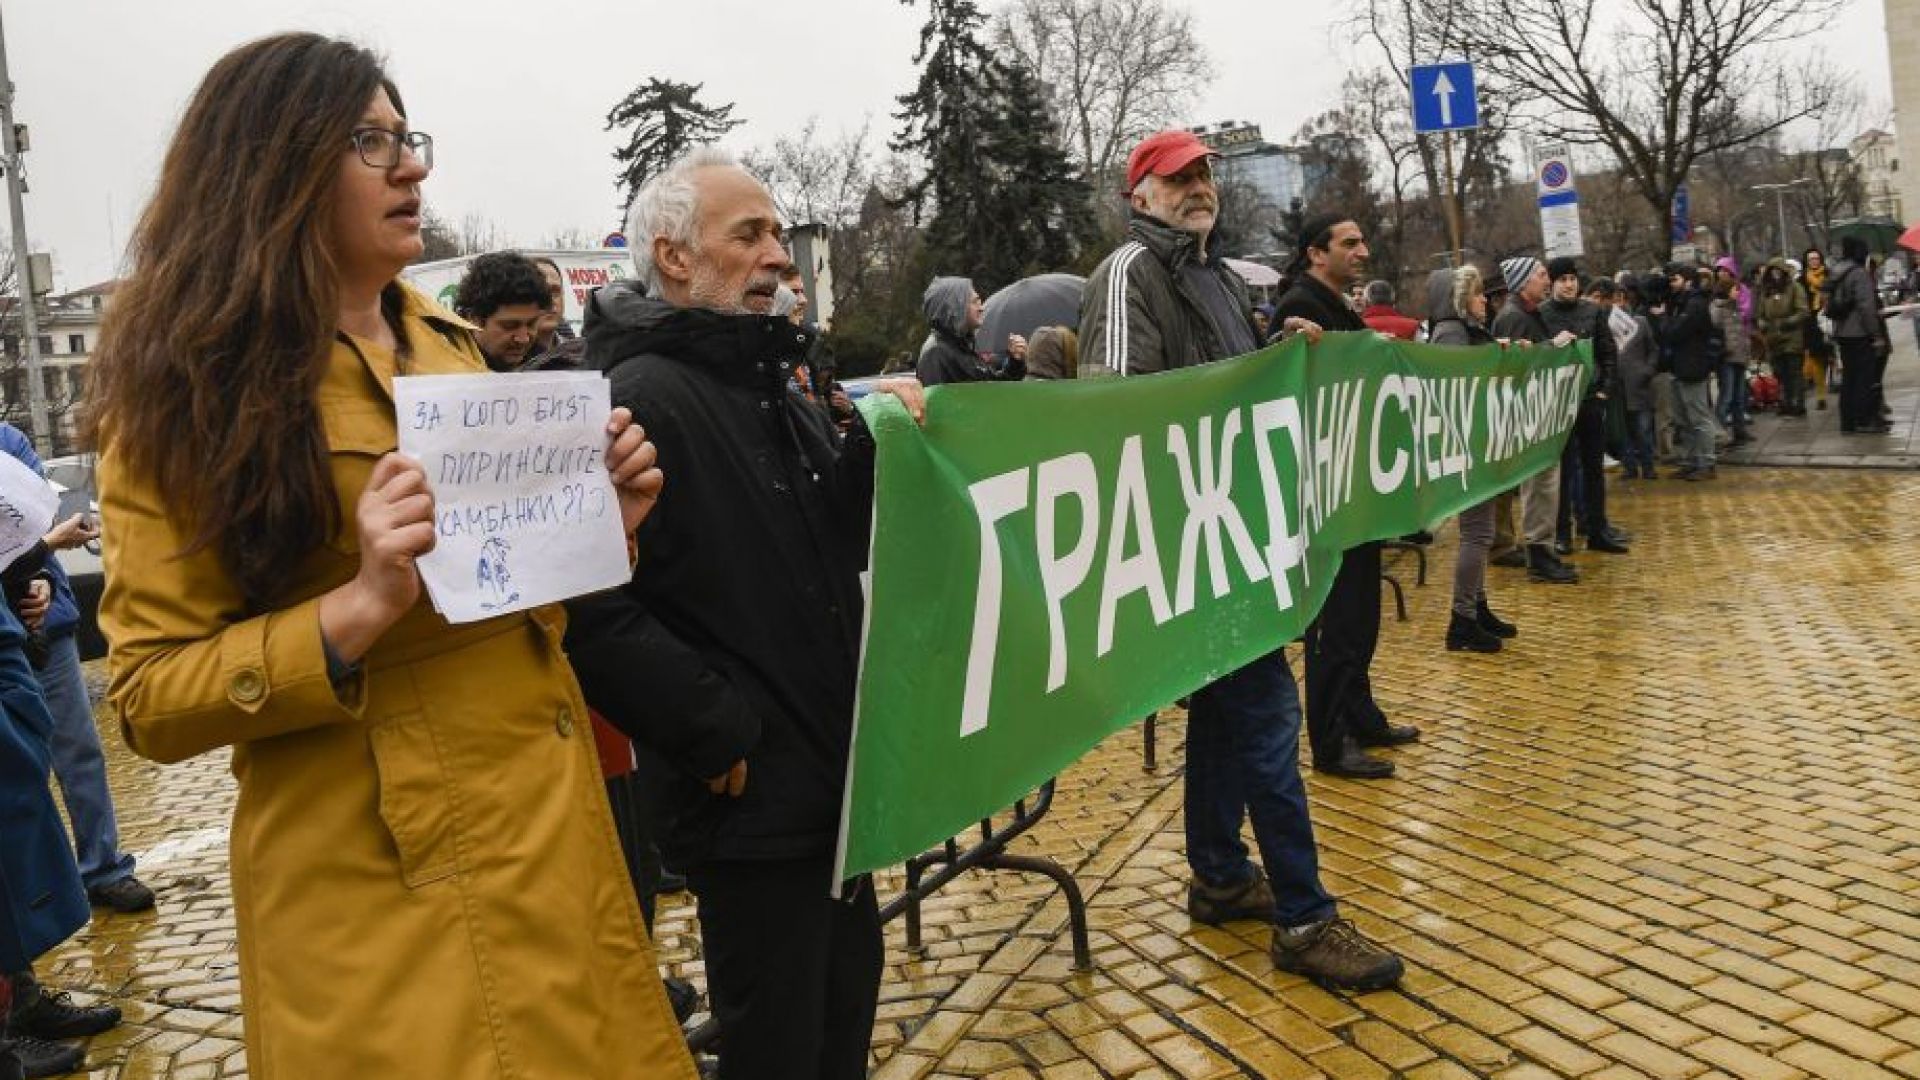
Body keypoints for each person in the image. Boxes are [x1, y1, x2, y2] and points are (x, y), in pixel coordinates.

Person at [83, 34, 696, 1078]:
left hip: (555, 844)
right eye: (370, 142)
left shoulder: (448, 344)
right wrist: (353, 611)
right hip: (383, 885)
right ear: (273, 168)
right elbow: (147, 695)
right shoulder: (185, 386)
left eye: (405, 136)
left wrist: (610, 525)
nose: (412, 166)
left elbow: (508, 593)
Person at [562, 146, 928, 1080]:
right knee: (776, 1045)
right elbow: (588, 605)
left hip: (833, 784)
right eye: (751, 234)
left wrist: (877, 452)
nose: (780, 256)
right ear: (675, 256)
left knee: (843, 1016)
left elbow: (825, 547)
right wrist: (716, 730)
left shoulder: (773, 380)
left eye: (778, 234)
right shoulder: (633, 400)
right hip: (750, 798)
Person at [1079, 131, 1403, 991]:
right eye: (1177, 177)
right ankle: (1303, 917)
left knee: (1228, 718)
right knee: (1265, 716)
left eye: (1204, 175)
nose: (1197, 188)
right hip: (1188, 546)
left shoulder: (1219, 278)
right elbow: (1113, 408)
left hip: (1233, 535)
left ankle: (1221, 876)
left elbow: (1235, 384)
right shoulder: (1127, 276)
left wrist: (1279, 346)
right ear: (1140, 193)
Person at [1274, 215, 1421, 780]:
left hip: (1356, 484)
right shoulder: (1299, 305)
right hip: (1327, 492)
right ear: (1317, 253)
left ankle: (1361, 715)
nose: (1363, 251)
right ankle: (1332, 741)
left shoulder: (1337, 304)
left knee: (1362, 614)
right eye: (1350, 243)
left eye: (1362, 241)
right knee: (1337, 621)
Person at [0, 426, 155, 917]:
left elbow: (36, 523)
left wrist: (43, 579)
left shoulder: (8, 442)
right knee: (18, 772)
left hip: (44, 623)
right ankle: (34, 897)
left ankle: (105, 869)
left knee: (79, 751)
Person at [1424, 266, 1517, 653]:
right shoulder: (1452, 335)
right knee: (1477, 533)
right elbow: (1458, 391)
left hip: (1476, 444)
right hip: (1468, 448)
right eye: (1478, 295)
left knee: (1480, 532)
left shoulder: (1464, 334)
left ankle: (1476, 608)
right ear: (1462, 300)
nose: (1485, 301)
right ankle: (1462, 619)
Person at [1491, 257, 1580, 583]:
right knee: (1539, 487)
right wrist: (1551, 349)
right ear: (1523, 281)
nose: (1548, 280)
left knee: (1545, 487)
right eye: (1541, 275)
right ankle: (1540, 558)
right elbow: (1517, 369)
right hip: (1529, 420)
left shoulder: (1525, 314)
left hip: (1537, 417)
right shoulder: (1515, 317)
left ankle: (1543, 553)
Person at [1537, 258, 1627, 556]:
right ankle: (1562, 533)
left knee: (1593, 469)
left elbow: (1608, 352)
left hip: (1590, 400)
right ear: (1552, 283)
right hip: (1559, 403)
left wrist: (1605, 390)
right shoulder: (1541, 314)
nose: (1569, 284)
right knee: (1562, 471)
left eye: (1572, 278)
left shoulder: (1593, 312)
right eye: (1562, 279)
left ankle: (1597, 529)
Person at [1825, 235, 1892, 434]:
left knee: (1849, 378)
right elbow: (1866, 308)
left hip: (1842, 331)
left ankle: (1848, 422)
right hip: (1859, 332)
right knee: (1864, 377)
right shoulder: (1859, 273)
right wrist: (1876, 335)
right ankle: (1864, 419)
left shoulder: (1836, 271)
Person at [1660, 262, 1720, 479]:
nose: (1671, 284)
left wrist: (1664, 317)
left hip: (1692, 367)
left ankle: (1706, 462)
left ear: (1687, 280)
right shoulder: (1679, 303)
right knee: (1683, 419)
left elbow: (1674, 333)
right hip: (1679, 366)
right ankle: (1691, 460)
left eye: (1674, 279)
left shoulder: (1694, 304)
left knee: (1699, 418)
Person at [453, 250, 553, 371]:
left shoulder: (549, 366)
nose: (523, 338)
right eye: (510, 325)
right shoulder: (441, 371)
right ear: (474, 319)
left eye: (532, 324)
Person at [916, 277, 1027, 385]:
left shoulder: (960, 347)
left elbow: (991, 389)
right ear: (954, 308)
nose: (981, 308)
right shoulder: (936, 353)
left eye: (979, 301)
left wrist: (1015, 362)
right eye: (974, 302)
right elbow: (937, 401)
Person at [1612, 277, 1662, 480]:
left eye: (1619, 298)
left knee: (1643, 430)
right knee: (1623, 431)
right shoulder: (1605, 325)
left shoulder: (1640, 322)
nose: (1617, 303)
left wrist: (1648, 370)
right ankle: (1629, 467)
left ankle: (1648, 467)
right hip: (1617, 386)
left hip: (1639, 385)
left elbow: (1653, 350)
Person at [1755, 258, 1809, 417]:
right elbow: (1760, 314)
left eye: (1778, 271)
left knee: (1794, 372)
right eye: (1772, 271)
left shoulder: (1795, 288)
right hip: (1773, 339)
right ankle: (1784, 402)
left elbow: (1803, 311)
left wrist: (1787, 322)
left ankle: (1797, 404)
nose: (1775, 274)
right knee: (1779, 373)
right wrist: (1762, 323)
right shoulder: (1766, 291)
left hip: (1792, 337)